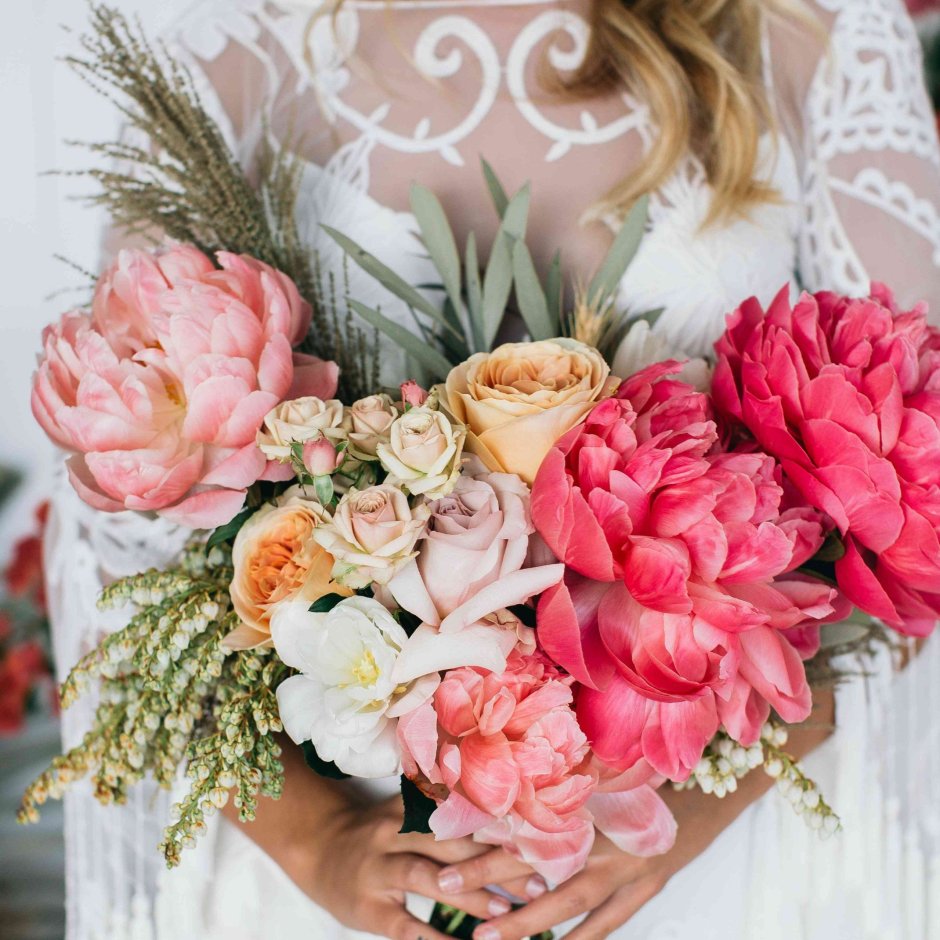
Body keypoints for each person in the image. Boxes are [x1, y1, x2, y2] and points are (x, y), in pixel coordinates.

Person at [44, 1, 940, 938]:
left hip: (717, 867)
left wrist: (688, 823)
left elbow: (911, 514)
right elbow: (128, 535)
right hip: (343, 877)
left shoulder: (811, 35)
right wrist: (322, 845)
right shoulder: (232, 60)